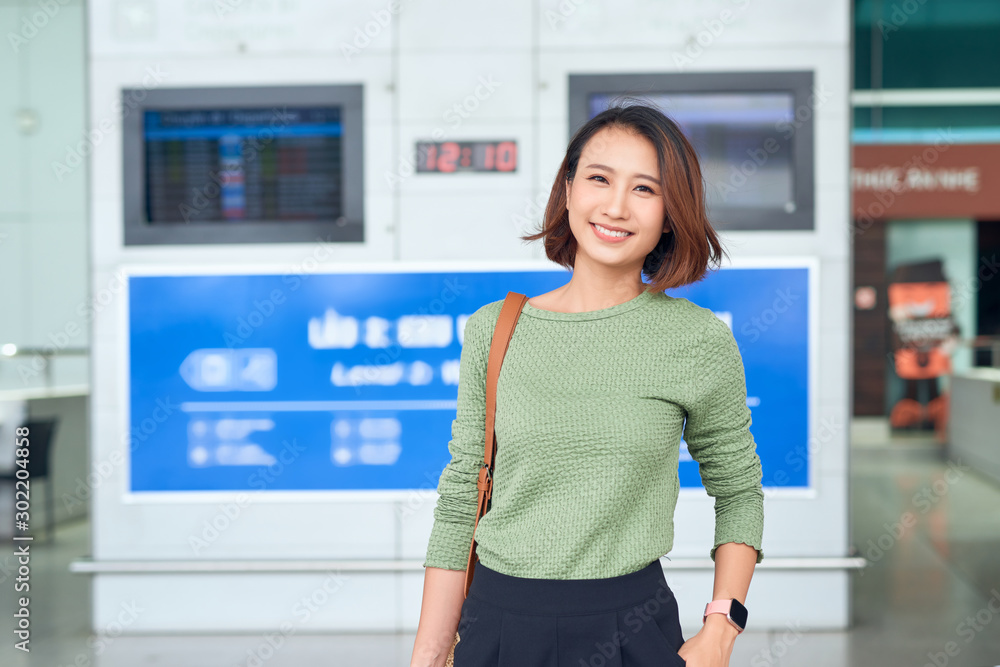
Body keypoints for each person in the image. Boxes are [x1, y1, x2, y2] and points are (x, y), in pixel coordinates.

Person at [410, 100, 764, 667]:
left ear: (671, 213)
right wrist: (429, 651)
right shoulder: (494, 330)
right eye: (600, 179)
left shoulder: (696, 339)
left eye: (645, 189)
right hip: (498, 626)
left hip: (634, 628)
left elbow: (739, 491)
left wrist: (721, 627)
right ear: (568, 189)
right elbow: (459, 502)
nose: (617, 207)